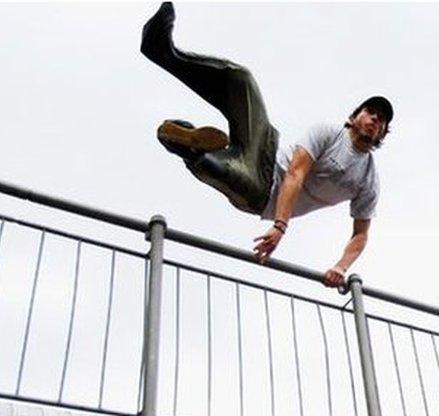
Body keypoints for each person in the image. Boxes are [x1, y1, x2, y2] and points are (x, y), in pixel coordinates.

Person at [141, 2, 394, 288]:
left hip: (262, 195)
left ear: (382, 134)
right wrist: (281, 226)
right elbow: (296, 172)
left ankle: (189, 145)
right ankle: (162, 51)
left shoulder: (367, 180)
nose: (375, 119)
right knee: (242, 80)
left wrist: (340, 266)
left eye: (382, 120)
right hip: (266, 154)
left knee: (225, 172)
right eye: (370, 112)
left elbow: (360, 234)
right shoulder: (328, 133)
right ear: (353, 117)